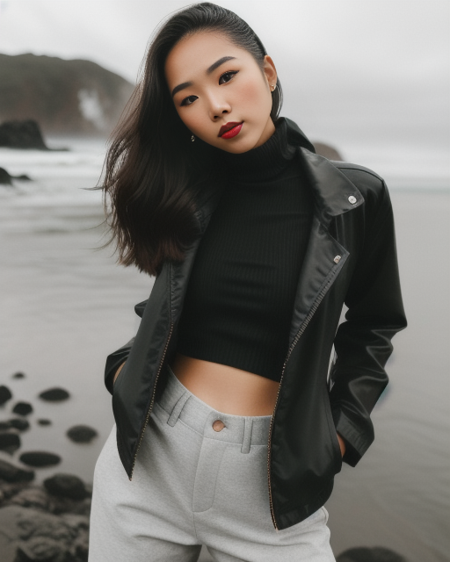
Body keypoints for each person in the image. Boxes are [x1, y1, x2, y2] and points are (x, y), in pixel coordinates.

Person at [88, 3, 406, 561]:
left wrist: (341, 432)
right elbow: (168, 303)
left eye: (226, 75)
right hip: (147, 463)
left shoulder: (355, 198)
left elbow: (376, 322)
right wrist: (125, 368)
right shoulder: (186, 191)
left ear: (268, 71)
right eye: (188, 98)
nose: (216, 105)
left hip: (270, 485)